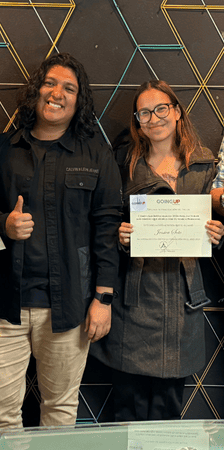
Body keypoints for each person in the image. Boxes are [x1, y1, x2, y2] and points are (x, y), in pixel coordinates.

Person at [0, 52, 122, 444]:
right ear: (36, 90)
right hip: (4, 308)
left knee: (60, 410)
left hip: (69, 308)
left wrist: (103, 298)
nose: (57, 93)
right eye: (50, 83)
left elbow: (107, 229)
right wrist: (3, 224)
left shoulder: (96, 154)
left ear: (79, 100)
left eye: (69, 88)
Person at [93, 79, 224, 421]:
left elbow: (213, 222)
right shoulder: (122, 165)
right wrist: (120, 237)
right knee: (127, 410)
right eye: (145, 113)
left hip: (184, 303)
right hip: (134, 301)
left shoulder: (204, 166)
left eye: (161, 108)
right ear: (137, 122)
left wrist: (217, 234)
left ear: (177, 112)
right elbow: (102, 222)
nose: (154, 118)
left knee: (168, 414)